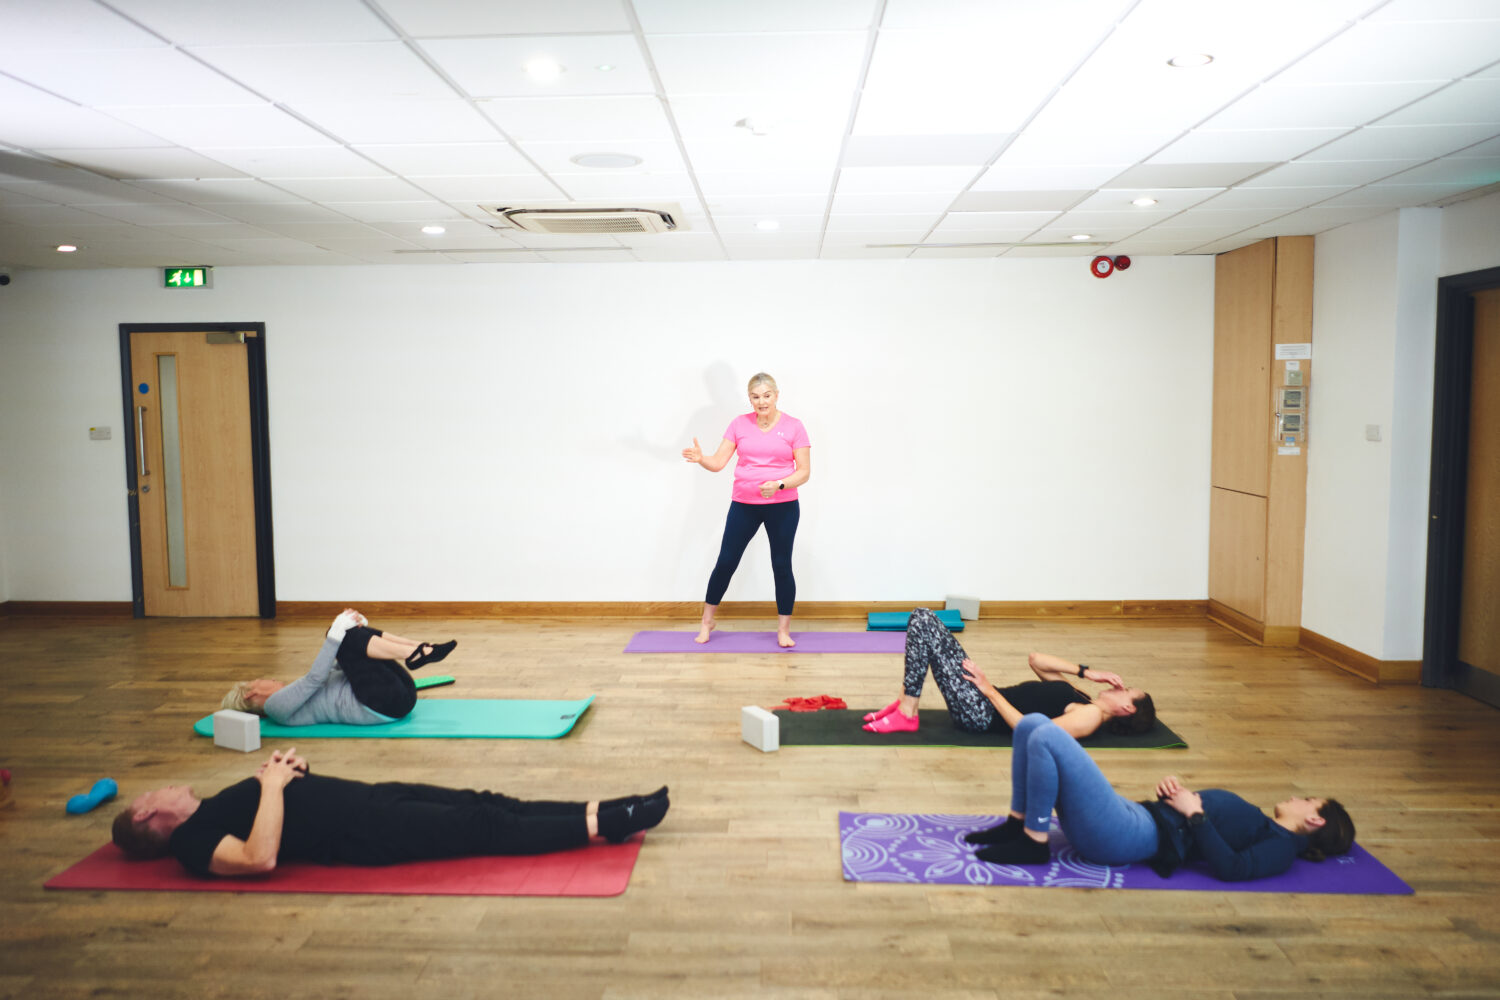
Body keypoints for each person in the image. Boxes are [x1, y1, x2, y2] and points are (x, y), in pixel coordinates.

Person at [111, 747, 670, 877]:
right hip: (365, 833)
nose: (168, 785)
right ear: (145, 816)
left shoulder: (211, 806)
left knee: (491, 803)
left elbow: (273, 807)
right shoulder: (190, 843)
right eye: (154, 792)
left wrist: (289, 772)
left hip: (371, 795)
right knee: (487, 829)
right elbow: (260, 858)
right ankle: (609, 826)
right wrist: (275, 786)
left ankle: (606, 808)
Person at [962, 714, 1354, 880]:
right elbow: (1198, 825)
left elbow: (1233, 868)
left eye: (1308, 800)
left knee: (1046, 735)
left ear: (1315, 820)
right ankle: (1019, 824)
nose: (1297, 797)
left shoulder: (1283, 846)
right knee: (1032, 725)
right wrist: (1178, 797)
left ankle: (1033, 842)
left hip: (1126, 835)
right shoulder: (1266, 826)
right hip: (1136, 815)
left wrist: (1194, 813)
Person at [861, 607, 1155, 738]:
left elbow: (1031, 730)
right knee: (922, 619)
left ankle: (908, 712)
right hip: (982, 697)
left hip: (980, 713)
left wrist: (988, 690)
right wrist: (1087, 672)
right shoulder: (1083, 698)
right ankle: (904, 704)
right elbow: (1037, 660)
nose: (1119, 686)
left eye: (1125, 691)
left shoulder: (1090, 717)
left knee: (924, 619)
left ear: (1127, 708)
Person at [682, 372, 811, 647]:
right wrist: (701, 458)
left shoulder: (794, 426)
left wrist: (779, 484)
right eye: (755, 397)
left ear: (776, 395)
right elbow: (718, 463)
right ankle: (707, 622)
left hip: (783, 506)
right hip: (745, 505)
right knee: (726, 561)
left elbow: (804, 472)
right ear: (750, 398)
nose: (761, 401)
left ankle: (783, 630)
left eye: (767, 396)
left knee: (781, 565)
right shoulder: (739, 424)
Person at [220, 609, 456, 726]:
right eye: (259, 680)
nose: (268, 678)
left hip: (397, 695)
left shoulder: (289, 698)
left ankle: (420, 648)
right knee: (339, 637)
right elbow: (316, 678)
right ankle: (414, 653)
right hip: (383, 703)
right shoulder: (275, 708)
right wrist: (334, 635)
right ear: (252, 692)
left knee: (348, 635)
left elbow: (337, 667)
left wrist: (358, 628)